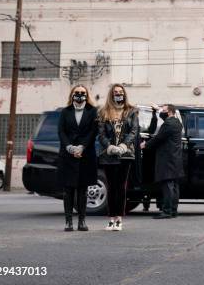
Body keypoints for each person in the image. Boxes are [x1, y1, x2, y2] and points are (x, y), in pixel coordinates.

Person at [97, 84, 138, 231]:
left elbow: (133, 131)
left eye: (121, 92)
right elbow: (101, 134)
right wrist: (109, 146)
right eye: (116, 92)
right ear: (111, 94)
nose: (118, 94)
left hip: (125, 154)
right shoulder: (103, 111)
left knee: (121, 187)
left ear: (124, 94)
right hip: (108, 154)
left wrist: (123, 146)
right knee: (111, 186)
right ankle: (110, 219)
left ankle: (119, 219)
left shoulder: (131, 111)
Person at [57, 84, 98, 232]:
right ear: (72, 95)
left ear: (87, 95)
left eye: (82, 92)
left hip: (86, 154)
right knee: (68, 190)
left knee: (82, 190)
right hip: (67, 155)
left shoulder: (93, 111)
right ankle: (68, 221)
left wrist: (82, 147)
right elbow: (61, 132)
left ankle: (82, 221)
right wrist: (70, 147)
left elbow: (93, 132)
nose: (80, 95)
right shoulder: (65, 112)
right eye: (77, 92)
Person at [141, 104, 183, 219]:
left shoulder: (168, 124)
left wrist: (145, 145)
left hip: (167, 158)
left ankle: (167, 211)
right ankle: (173, 210)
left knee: (168, 185)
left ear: (169, 112)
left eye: (163, 110)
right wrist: (157, 110)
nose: (162, 112)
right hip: (175, 158)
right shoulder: (177, 123)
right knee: (174, 185)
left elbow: (158, 138)